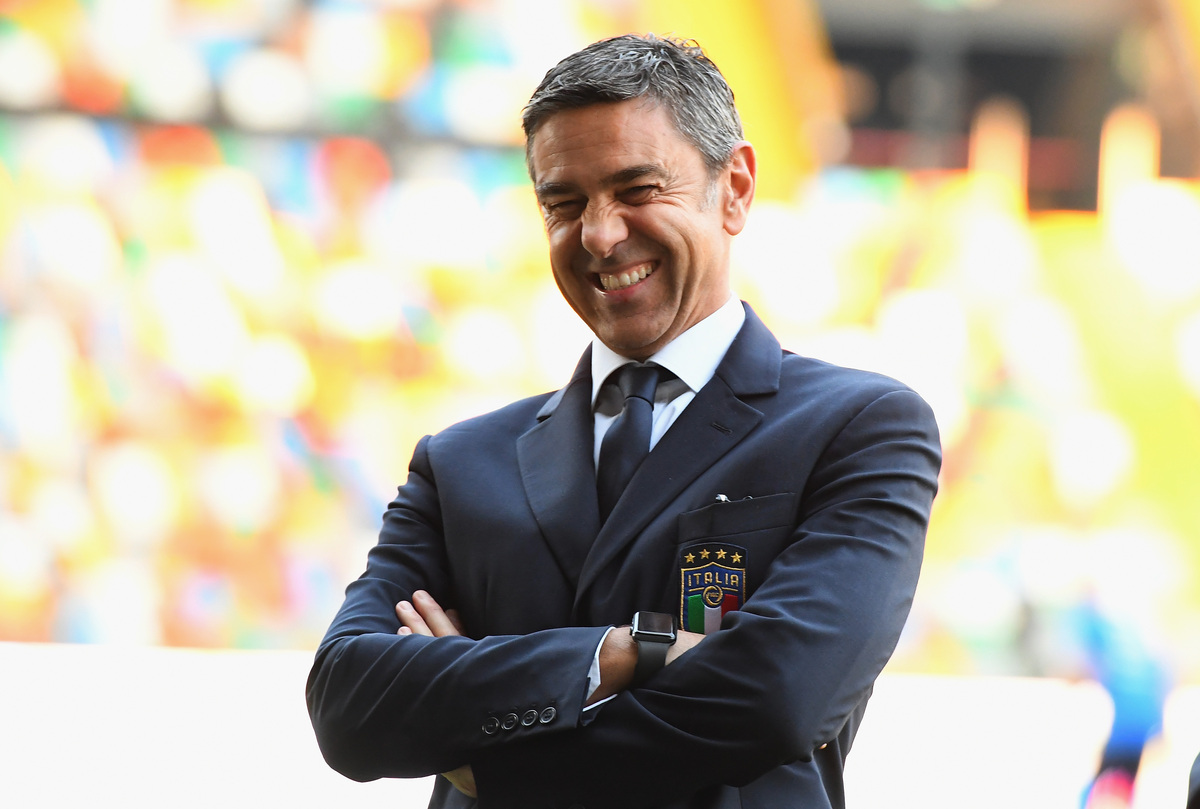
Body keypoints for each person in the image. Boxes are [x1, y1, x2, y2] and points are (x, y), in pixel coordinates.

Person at [306, 33, 941, 809]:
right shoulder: (462, 461)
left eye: (637, 189)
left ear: (734, 187)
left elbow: (776, 696)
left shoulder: (860, 429)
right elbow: (347, 702)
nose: (600, 234)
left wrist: (487, 756)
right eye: (563, 203)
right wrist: (621, 653)